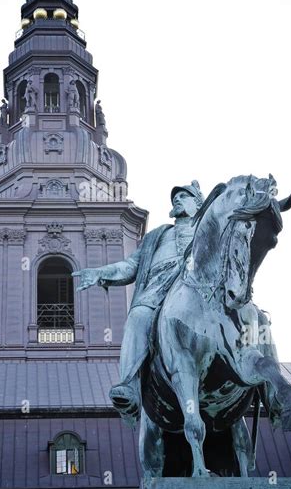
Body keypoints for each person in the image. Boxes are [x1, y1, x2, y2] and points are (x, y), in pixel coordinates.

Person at [73, 181, 204, 424]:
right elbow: (130, 266)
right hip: (158, 289)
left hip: (198, 287)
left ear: (199, 203)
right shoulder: (157, 236)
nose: (177, 200)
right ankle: (129, 385)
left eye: (184, 196)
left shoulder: (209, 230)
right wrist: (99, 273)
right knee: (137, 316)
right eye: (175, 197)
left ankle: (264, 382)